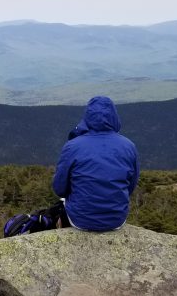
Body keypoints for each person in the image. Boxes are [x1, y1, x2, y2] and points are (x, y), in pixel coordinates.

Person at [52, 96, 139, 231]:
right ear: (114, 117)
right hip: (116, 219)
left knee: (61, 204)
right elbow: (130, 187)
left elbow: (59, 189)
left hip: (80, 220)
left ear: (87, 117)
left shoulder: (73, 146)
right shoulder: (129, 146)